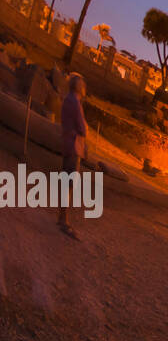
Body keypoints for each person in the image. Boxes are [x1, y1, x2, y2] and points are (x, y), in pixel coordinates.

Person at [56, 73, 88, 239]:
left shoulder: (67, 99)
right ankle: (64, 221)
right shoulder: (76, 103)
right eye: (83, 84)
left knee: (65, 182)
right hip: (75, 146)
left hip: (67, 143)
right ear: (78, 87)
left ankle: (61, 217)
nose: (85, 87)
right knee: (69, 184)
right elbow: (83, 129)